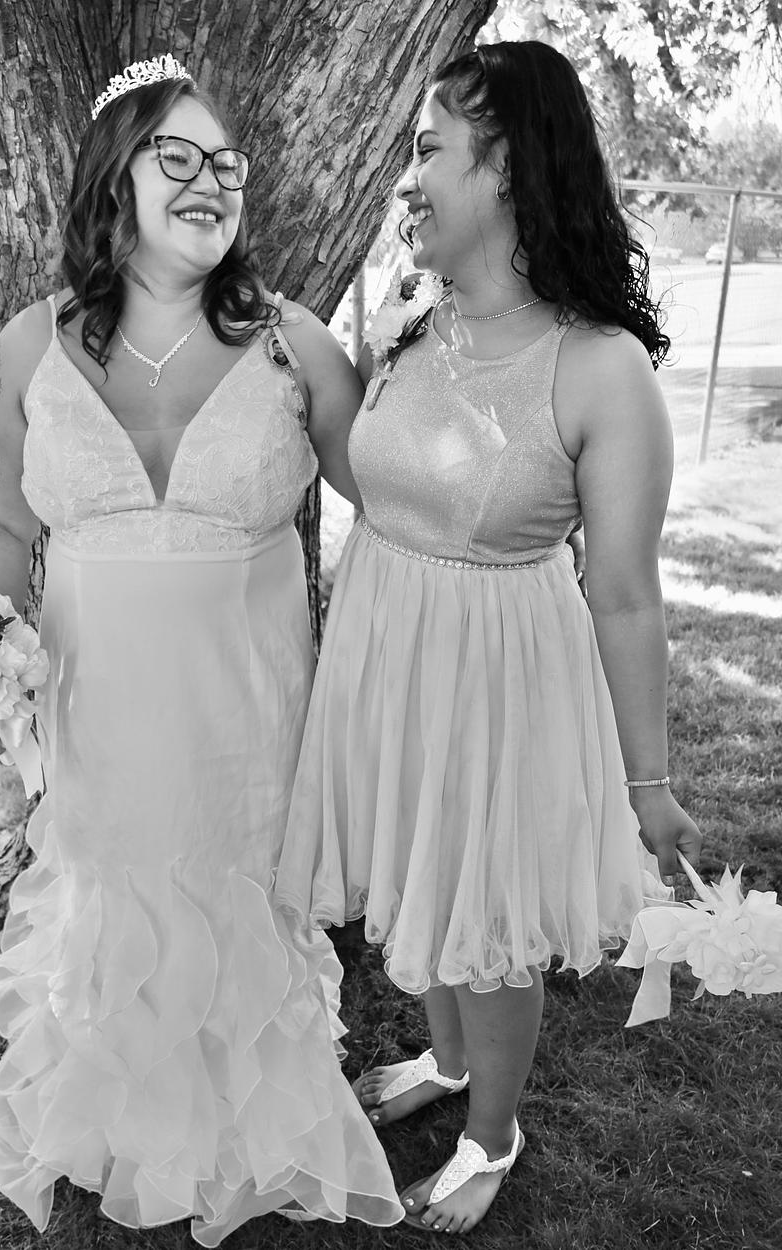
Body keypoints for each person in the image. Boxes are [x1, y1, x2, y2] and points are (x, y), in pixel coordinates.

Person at [0, 53, 403, 1244]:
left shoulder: (293, 345)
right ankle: (117, 1119)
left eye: (227, 164)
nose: (213, 180)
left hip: (244, 710)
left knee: (234, 892)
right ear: (115, 179)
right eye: (180, 157)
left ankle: (251, 1123)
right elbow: (1, 524)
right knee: (115, 902)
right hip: (97, 707)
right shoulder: (26, 348)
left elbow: (394, 499)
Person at [274, 40, 702, 1236]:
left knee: (486, 918)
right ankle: (448, 1061)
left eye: (428, 151)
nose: (406, 180)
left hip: (496, 683)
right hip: (388, 652)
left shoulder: (600, 369)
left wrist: (648, 782)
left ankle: (490, 1131)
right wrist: (307, 359)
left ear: (507, 164)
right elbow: (381, 480)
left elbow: (624, 593)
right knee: (421, 872)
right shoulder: (417, 322)